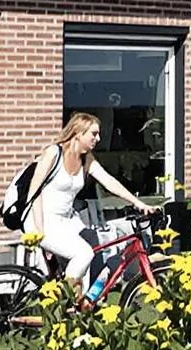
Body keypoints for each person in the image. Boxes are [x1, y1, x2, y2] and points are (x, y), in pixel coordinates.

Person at [21, 112, 155, 286]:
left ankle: (87, 299)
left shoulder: (86, 159)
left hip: (66, 220)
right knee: (83, 253)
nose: (98, 138)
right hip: (40, 219)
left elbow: (108, 182)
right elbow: (34, 191)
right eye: (94, 133)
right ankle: (63, 299)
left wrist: (138, 203)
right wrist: (40, 232)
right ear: (78, 132)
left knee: (92, 240)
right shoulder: (54, 153)